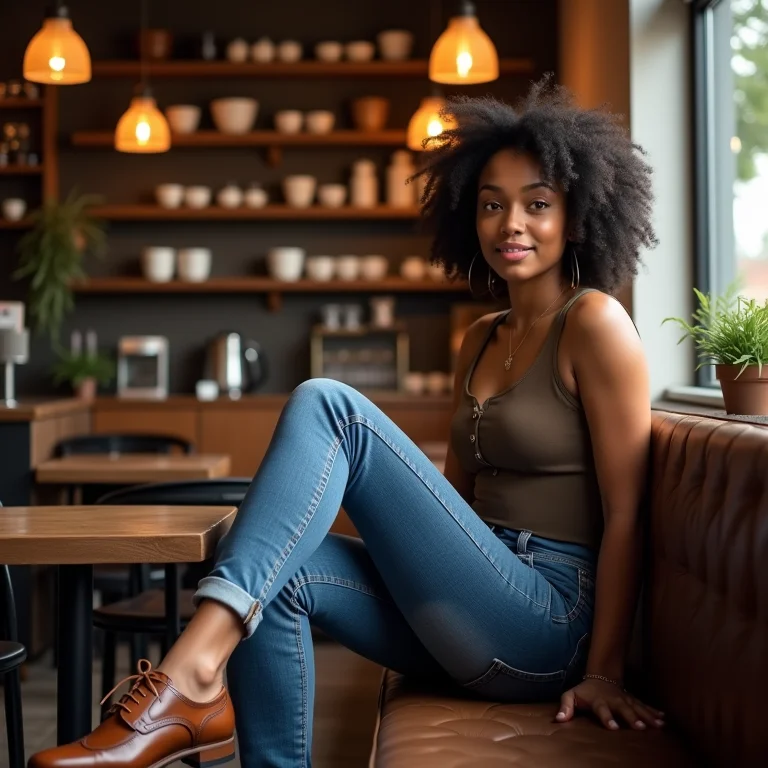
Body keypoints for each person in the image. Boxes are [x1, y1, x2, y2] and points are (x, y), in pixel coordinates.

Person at [30, 77, 663, 768]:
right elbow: (456, 508)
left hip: (547, 622)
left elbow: (627, 516)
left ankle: (190, 675)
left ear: (575, 218)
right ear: (467, 217)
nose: (511, 224)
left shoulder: (595, 324)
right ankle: (219, 705)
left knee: (329, 404)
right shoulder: (479, 339)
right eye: (491, 205)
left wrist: (604, 670)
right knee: (279, 574)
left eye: (536, 205)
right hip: (475, 600)